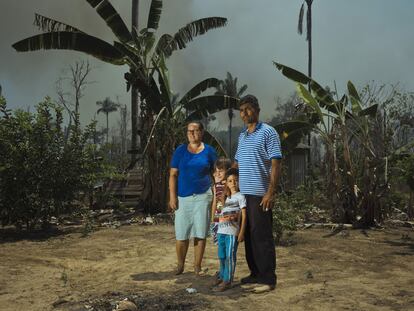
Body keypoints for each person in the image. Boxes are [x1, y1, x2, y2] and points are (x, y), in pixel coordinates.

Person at [234, 94, 282, 293]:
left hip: (260, 194)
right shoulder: (242, 135)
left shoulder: (269, 132)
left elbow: (276, 163)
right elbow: (237, 164)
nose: (245, 113)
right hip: (244, 195)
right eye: (242, 110)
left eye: (248, 109)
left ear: (257, 109)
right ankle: (255, 273)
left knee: (262, 237)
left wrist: (270, 192)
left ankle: (268, 279)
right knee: (248, 235)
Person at [169, 121, 217, 275]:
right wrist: (172, 197)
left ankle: (197, 266)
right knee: (181, 234)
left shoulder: (209, 151)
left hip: (203, 197)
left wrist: (220, 195)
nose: (192, 134)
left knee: (200, 233)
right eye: (189, 131)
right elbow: (173, 175)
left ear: (202, 132)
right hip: (183, 198)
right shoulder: (180, 151)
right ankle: (180, 265)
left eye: (195, 131)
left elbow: (216, 174)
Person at [212, 168, 247, 292]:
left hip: (232, 233)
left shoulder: (241, 197)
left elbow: (244, 215)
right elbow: (218, 211)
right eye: (230, 181)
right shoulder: (224, 197)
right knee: (221, 256)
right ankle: (222, 276)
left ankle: (228, 280)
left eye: (236, 180)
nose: (233, 183)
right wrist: (214, 227)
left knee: (229, 256)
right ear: (226, 182)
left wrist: (241, 232)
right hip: (221, 231)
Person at [210, 157, 232, 245]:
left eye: (221, 171)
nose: (218, 174)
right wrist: (212, 218)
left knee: (228, 242)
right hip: (218, 216)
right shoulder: (215, 186)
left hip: (228, 217)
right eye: (216, 171)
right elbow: (215, 202)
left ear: (228, 171)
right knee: (219, 244)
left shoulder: (231, 185)